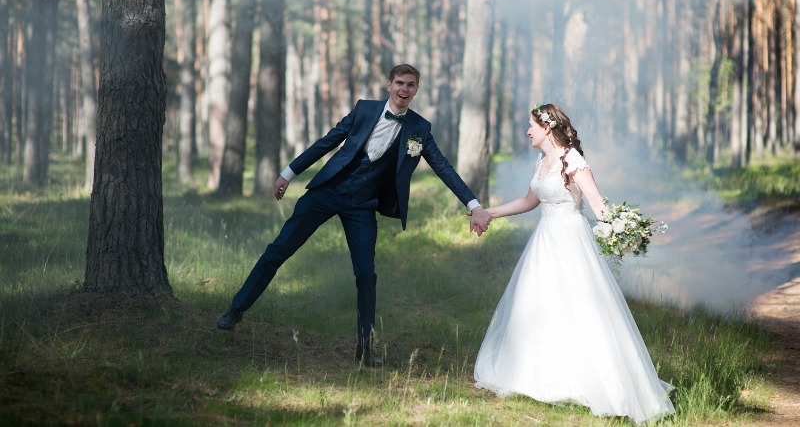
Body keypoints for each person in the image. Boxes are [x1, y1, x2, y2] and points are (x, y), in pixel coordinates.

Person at [216, 63, 491, 368]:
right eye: (399, 83)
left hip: (362, 205)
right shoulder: (364, 109)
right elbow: (328, 141)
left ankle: (365, 348)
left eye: (410, 85)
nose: (404, 89)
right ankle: (236, 310)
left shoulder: (419, 129)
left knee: (366, 274)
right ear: (389, 85)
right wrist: (288, 173)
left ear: (416, 89)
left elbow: (444, 168)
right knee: (278, 250)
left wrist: (474, 205)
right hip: (328, 191)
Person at [473, 104, 674, 425]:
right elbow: (529, 201)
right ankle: (540, 373)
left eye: (531, 126)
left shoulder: (572, 161)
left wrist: (626, 227)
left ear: (547, 127)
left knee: (579, 307)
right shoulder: (543, 161)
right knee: (539, 305)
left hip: (571, 240)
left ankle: (591, 380)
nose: (527, 131)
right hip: (544, 242)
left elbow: (598, 205)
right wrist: (487, 212)